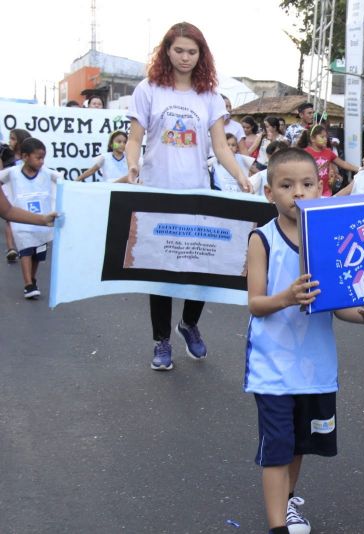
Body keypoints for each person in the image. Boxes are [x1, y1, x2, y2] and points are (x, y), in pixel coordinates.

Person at [244, 147, 364, 534]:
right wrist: (286, 298)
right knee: (277, 446)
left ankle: (287, 503)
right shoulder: (262, 239)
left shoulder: (330, 240)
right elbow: (255, 303)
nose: (298, 193)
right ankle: (278, 526)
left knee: (299, 444)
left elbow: (340, 308)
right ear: (269, 192)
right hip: (273, 366)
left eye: (307, 184)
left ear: (321, 188)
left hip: (315, 367)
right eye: (286, 185)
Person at [125, 21, 252, 371]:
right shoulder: (148, 89)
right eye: (179, 50)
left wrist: (241, 174)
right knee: (161, 270)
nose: (185, 57)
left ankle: (189, 324)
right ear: (167, 51)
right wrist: (133, 165)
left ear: (202, 55)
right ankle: (161, 341)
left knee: (201, 267)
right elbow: (134, 138)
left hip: (196, 192)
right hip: (157, 193)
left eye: (192, 52)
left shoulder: (208, 96)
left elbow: (219, 146)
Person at [0, 138, 61, 299]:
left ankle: (32, 278)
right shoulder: (12, 172)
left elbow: (64, 182)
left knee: (37, 254)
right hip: (20, 222)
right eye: (38, 158)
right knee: (26, 251)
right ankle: (28, 284)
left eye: (43, 158)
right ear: (25, 157)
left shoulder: (47, 173)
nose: (41, 162)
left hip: (43, 222)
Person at [297, 124, 358, 198]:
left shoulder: (328, 152)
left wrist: (359, 169)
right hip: (310, 192)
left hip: (326, 192)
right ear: (312, 139)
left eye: (326, 137)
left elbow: (343, 164)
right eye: (322, 137)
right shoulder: (305, 153)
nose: (326, 139)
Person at [3, 128, 31, 263]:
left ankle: (28, 245)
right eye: (10, 138)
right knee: (10, 218)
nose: (10, 141)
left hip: (24, 190)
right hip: (10, 189)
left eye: (13, 138)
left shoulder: (28, 156)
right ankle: (11, 248)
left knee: (25, 215)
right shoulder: (6, 155)